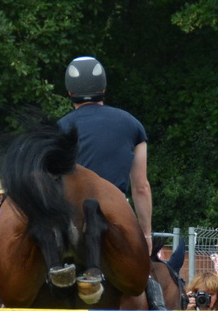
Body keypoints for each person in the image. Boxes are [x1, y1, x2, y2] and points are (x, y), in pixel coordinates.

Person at [56, 56, 153, 250]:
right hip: (116, 209)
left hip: (72, 215)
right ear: (103, 89)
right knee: (143, 278)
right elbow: (141, 187)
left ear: (70, 91)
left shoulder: (59, 128)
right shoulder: (132, 125)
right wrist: (146, 233)